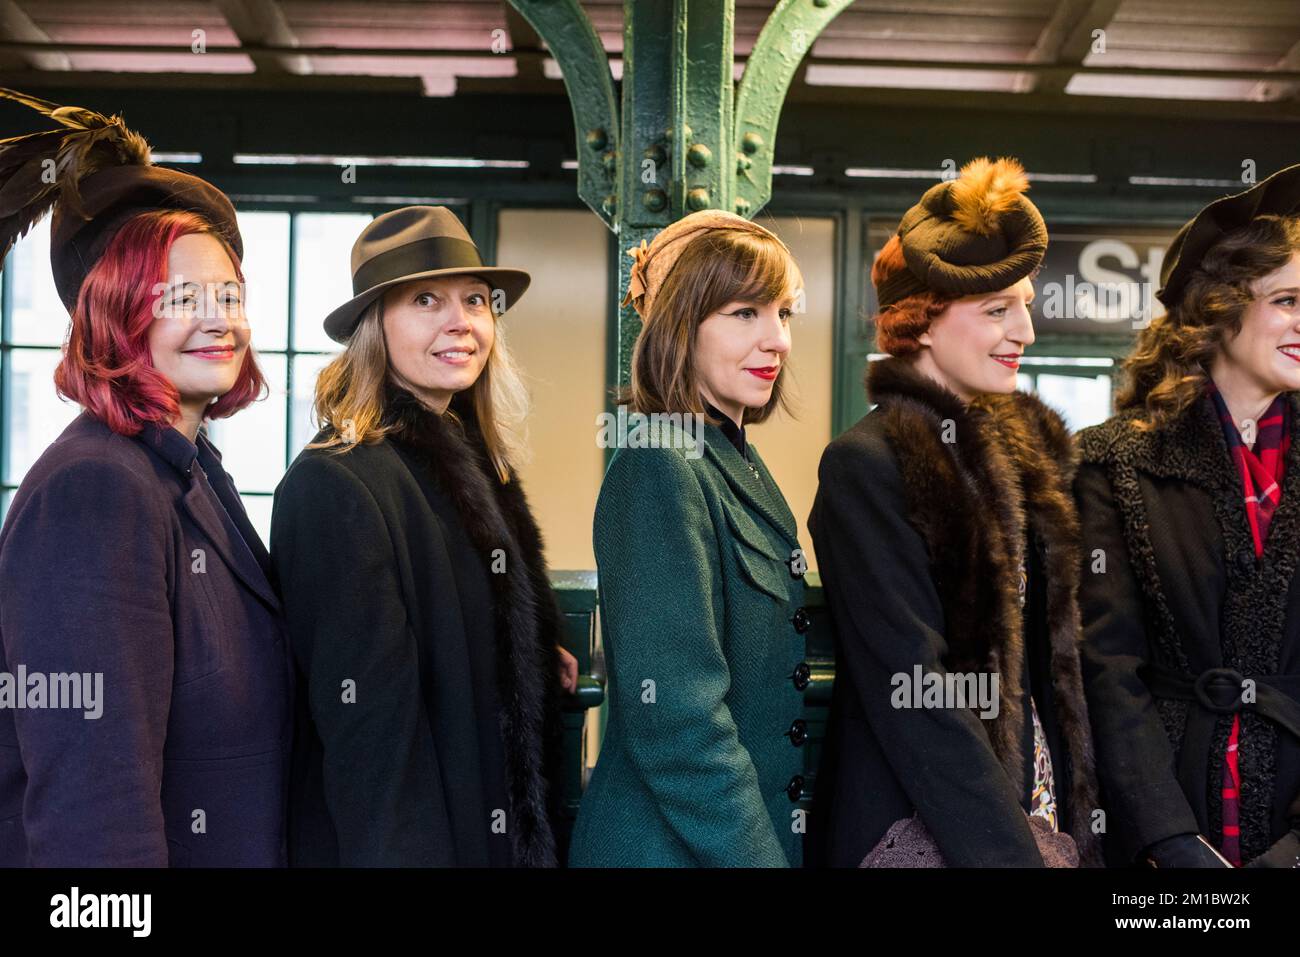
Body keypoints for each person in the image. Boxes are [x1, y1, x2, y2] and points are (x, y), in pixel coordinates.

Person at [0, 90, 291, 866]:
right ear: (115, 315)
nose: (217, 318)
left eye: (228, 294)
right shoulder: (95, 488)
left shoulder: (188, 469)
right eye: (178, 297)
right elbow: (93, 810)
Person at [807, 157, 1100, 867]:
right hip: (919, 830)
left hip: (1041, 810)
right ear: (921, 323)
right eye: (997, 310)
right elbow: (916, 690)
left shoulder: (1019, 463)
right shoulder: (866, 464)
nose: (1024, 330)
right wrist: (1011, 856)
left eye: (1024, 305)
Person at [270, 205, 576, 867]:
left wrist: (524, 650)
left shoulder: (474, 466)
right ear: (374, 325)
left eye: (475, 300)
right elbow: (371, 747)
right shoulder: (336, 483)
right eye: (426, 300)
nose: (460, 322)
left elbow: (452, 617)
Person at [568, 211, 811, 867]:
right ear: (680, 326)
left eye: (783, 313)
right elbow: (679, 721)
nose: (778, 339)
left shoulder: (735, 463)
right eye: (744, 313)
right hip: (667, 850)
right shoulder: (658, 465)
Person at [1075, 164, 1300, 868]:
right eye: (1289, 300)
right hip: (1158, 828)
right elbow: (1106, 667)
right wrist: (1166, 837)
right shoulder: (1111, 462)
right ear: (1219, 306)